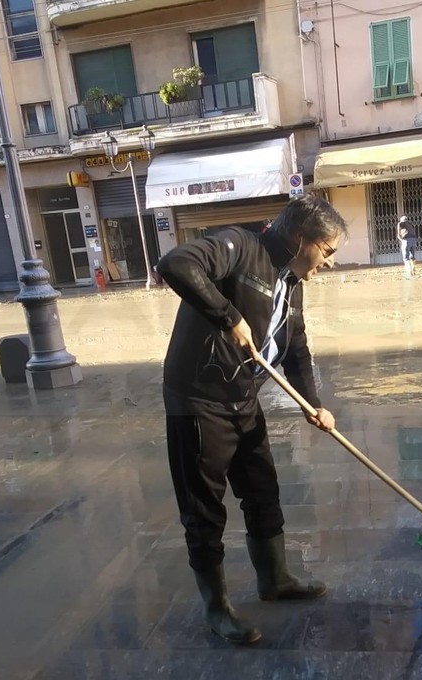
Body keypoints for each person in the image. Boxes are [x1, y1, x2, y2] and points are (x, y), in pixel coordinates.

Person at [157, 195, 348, 645]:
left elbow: (297, 348)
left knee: (263, 492)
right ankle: (217, 609)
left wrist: (312, 403)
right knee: (204, 511)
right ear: (301, 238)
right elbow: (176, 264)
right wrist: (228, 317)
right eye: (327, 250)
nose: (330, 262)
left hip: (243, 397)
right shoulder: (240, 247)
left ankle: (275, 579)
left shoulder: (292, 280)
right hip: (200, 401)